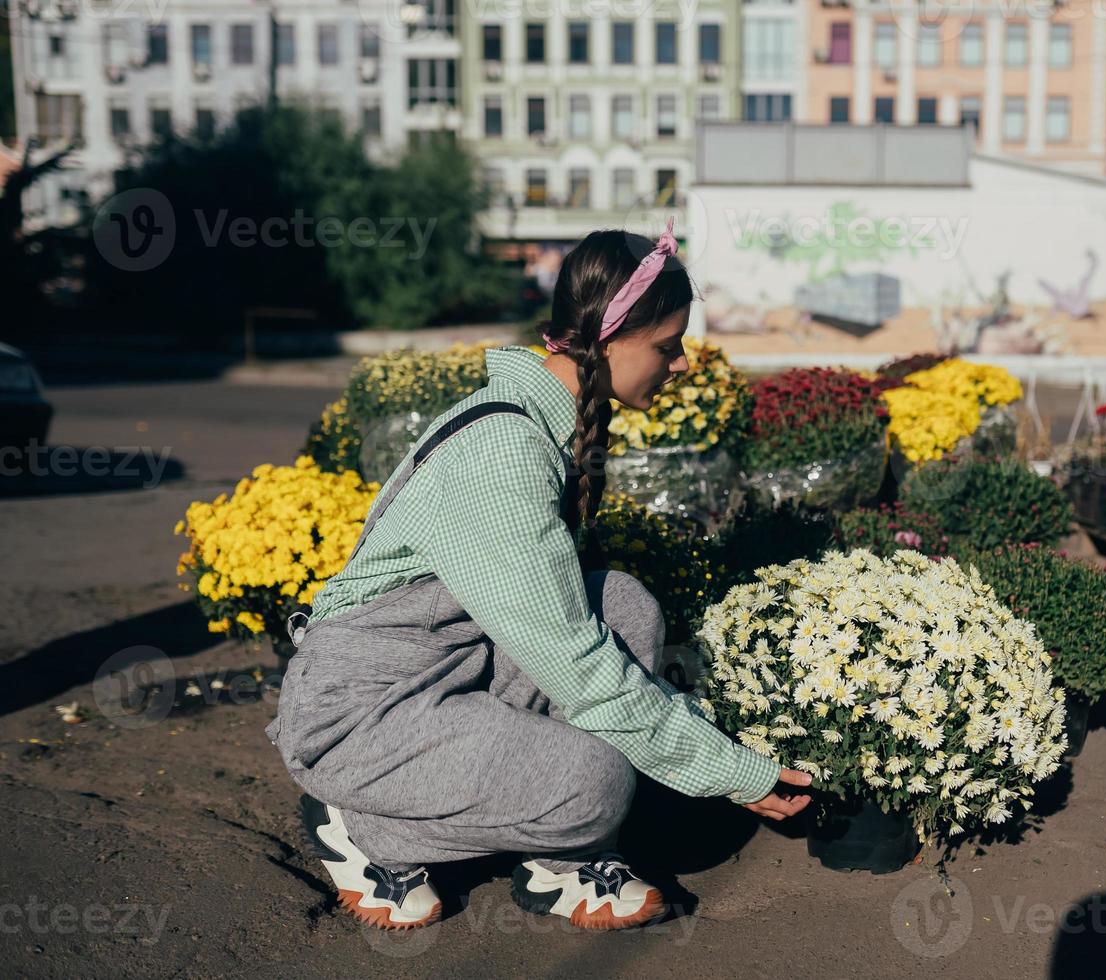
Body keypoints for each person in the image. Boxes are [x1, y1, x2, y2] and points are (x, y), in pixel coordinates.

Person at [265, 220, 813, 932]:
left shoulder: (534, 422)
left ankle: (559, 862)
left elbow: (569, 632)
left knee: (623, 603)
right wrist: (733, 772)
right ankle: (362, 824)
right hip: (362, 716)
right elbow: (579, 671)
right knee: (594, 784)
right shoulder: (504, 458)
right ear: (611, 339)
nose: (679, 365)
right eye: (668, 347)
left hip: (439, 674)